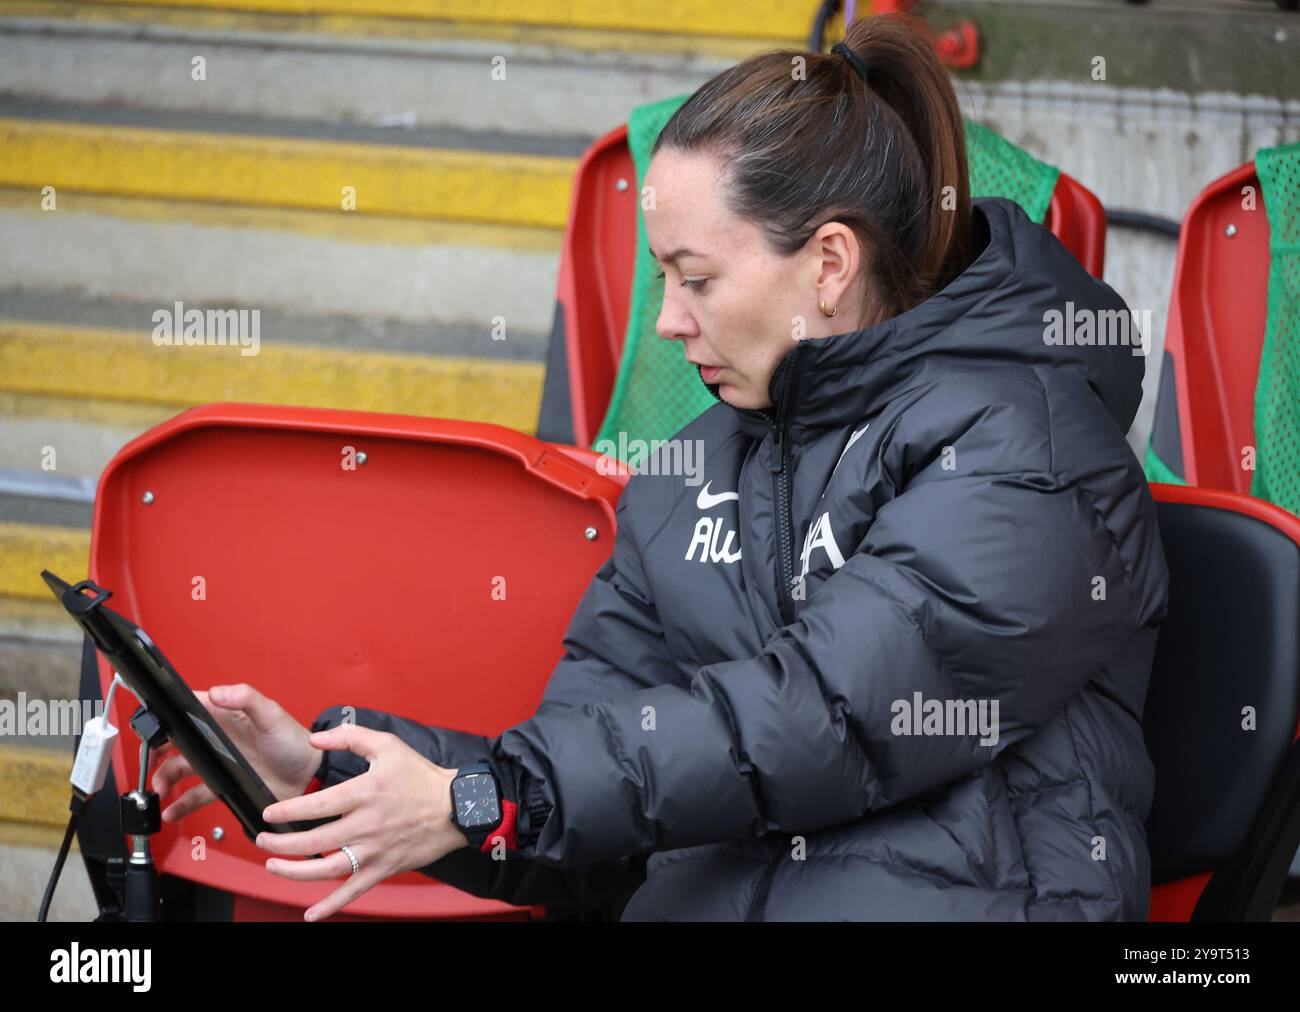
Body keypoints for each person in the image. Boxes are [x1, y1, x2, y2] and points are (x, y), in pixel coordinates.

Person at [150, 13, 1169, 922]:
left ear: (827, 263)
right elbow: (584, 796)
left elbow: (822, 713)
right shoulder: (690, 468)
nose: (669, 321)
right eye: (660, 280)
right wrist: (359, 774)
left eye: (696, 279)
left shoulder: (1024, 446)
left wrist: (488, 795)